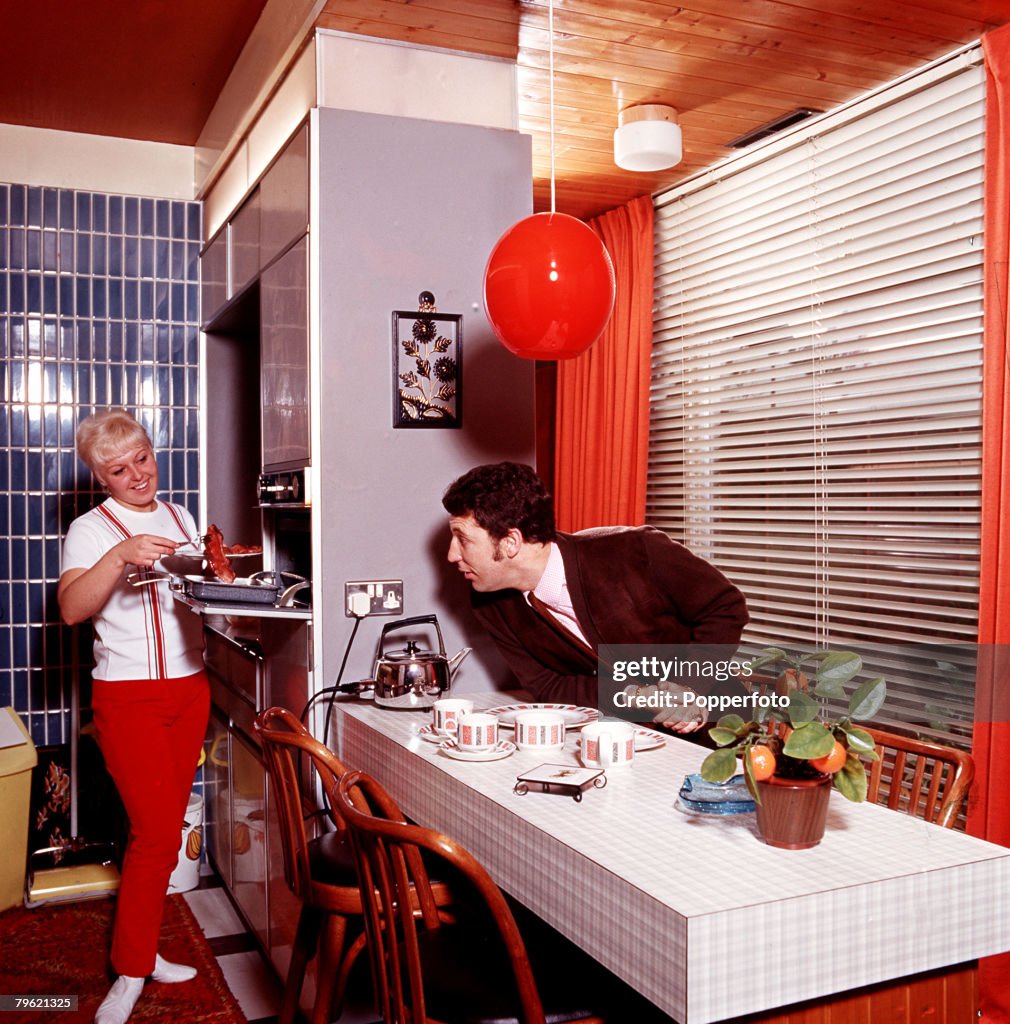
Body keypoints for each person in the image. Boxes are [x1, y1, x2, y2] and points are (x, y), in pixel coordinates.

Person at [58, 409, 208, 1024]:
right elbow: (71, 609)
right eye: (118, 469)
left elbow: (198, 595)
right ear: (100, 476)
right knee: (152, 835)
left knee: (167, 830)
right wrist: (120, 555)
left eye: (142, 457)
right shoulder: (89, 530)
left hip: (191, 688)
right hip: (127, 695)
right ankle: (129, 971)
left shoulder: (181, 518)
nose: (137, 474)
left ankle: (144, 950)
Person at [442, 462, 749, 733]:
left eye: (463, 539)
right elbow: (548, 686)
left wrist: (688, 687)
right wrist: (635, 695)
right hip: (621, 736)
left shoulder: (637, 550)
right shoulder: (489, 603)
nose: (452, 554)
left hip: (719, 730)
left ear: (511, 542)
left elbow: (725, 607)